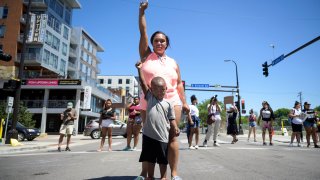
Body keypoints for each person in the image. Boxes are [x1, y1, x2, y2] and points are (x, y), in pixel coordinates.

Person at [138, 2, 189, 180]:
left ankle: (173, 175)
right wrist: (142, 12)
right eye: (156, 40)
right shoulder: (146, 56)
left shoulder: (174, 62)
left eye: (162, 40)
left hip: (172, 100)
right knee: (149, 138)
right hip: (149, 101)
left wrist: (184, 102)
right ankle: (144, 174)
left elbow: (180, 84)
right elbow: (143, 31)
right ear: (152, 43)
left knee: (172, 137)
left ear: (167, 44)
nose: (159, 42)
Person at [136, 61, 180, 180]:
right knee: (150, 158)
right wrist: (139, 69)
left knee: (162, 159)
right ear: (151, 90)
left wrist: (175, 126)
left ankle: (163, 177)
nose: (160, 92)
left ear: (166, 89)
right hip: (148, 135)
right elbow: (143, 83)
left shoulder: (169, 103)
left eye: (162, 89)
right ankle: (150, 176)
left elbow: (172, 118)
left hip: (162, 136)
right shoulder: (150, 98)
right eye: (157, 89)